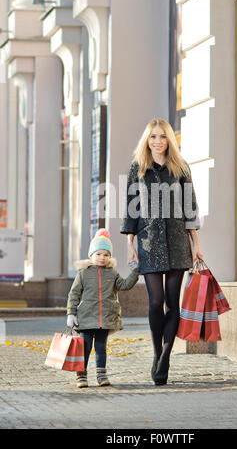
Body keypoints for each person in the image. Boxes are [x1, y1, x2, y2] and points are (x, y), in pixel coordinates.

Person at [120, 118, 203, 385]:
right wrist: (130, 245)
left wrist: (197, 246)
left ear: (169, 140)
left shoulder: (181, 168)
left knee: (172, 303)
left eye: (163, 137)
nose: (158, 141)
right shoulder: (138, 168)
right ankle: (157, 353)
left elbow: (190, 207)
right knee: (155, 302)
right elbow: (131, 208)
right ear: (147, 140)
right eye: (153, 137)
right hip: (148, 242)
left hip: (177, 241)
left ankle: (166, 356)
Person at [66, 228, 139, 388]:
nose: (102, 257)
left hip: (105, 319)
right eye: (98, 254)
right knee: (85, 348)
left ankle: (101, 375)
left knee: (101, 348)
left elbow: (124, 285)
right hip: (85, 319)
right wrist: (71, 314)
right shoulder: (83, 274)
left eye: (106, 254)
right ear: (91, 255)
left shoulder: (112, 273)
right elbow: (74, 294)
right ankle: (81, 375)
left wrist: (135, 272)